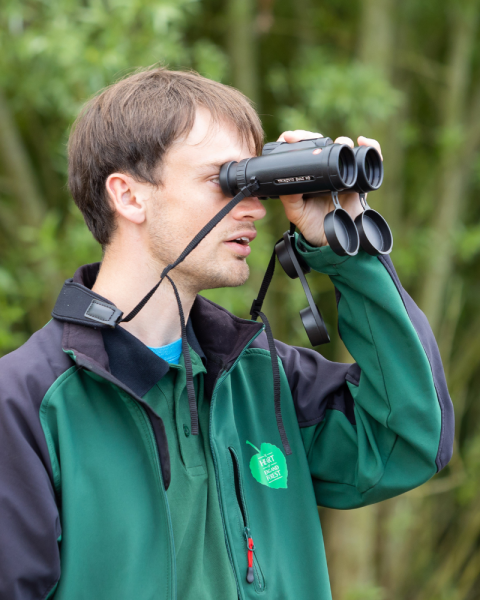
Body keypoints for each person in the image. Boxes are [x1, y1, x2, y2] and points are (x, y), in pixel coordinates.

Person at [0, 67, 453, 600]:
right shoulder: (27, 402)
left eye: (255, 180)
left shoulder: (259, 377)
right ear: (129, 196)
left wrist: (345, 245)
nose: (256, 208)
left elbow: (410, 441)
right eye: (225, 179)